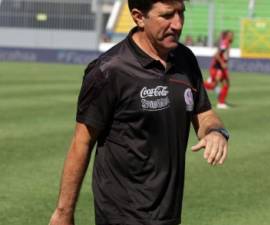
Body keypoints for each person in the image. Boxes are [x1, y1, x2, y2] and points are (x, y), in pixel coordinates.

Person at [48, 0, 229, 225]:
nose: (178, 24)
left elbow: (204, 114)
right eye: (167, 15)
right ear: (138, 17)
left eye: (181, 13)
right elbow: (82, 142)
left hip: (168, 213)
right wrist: (64, 212)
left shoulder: (185, 59)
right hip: (121, 214)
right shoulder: (109, 70)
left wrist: (215, 131)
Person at [203, 30, 234, 109]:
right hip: (217, 68)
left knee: (226, 84)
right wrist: (222, 63)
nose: (232, 37)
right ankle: (197, 85)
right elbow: (216, 55)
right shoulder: (225, 43)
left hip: (220, 69)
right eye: (231, 35)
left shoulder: (227, 43)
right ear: (227, 36)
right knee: (214, 85)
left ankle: (221, 102)